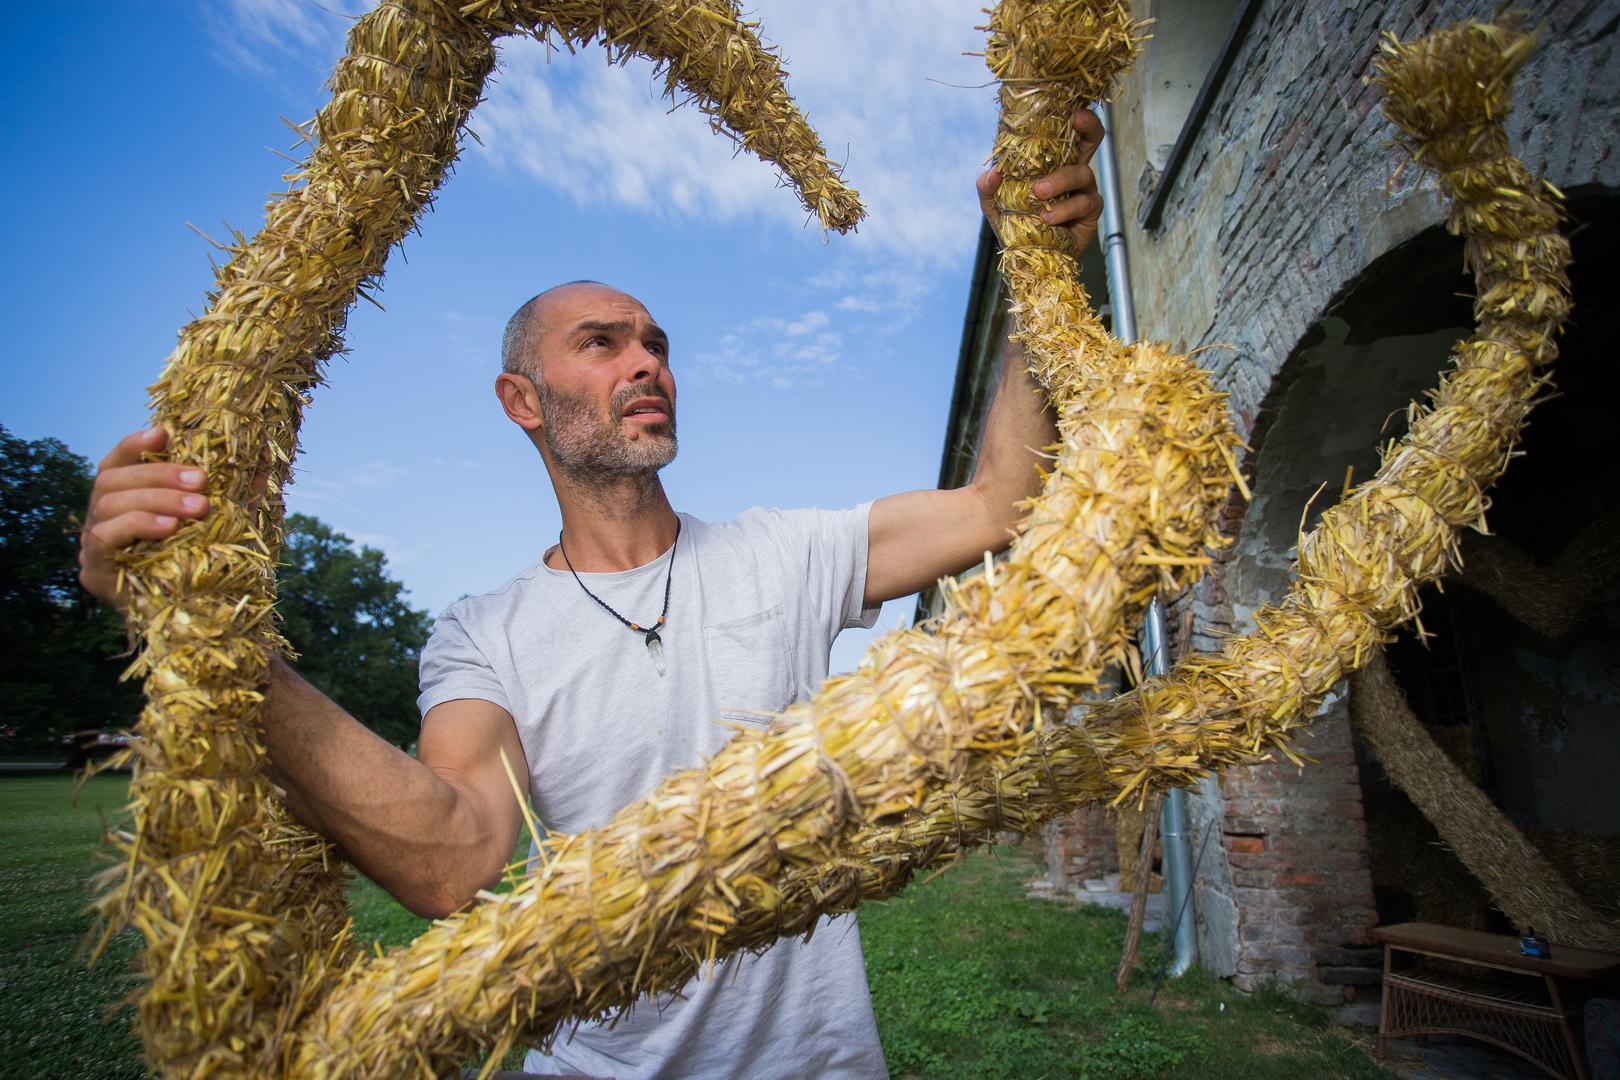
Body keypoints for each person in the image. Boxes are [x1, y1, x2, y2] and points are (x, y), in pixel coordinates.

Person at [78, 109, 1106, 1079]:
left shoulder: (783, 555)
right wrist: (197, 633)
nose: (648, 363)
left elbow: (997, 504)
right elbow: (454, 861)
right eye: (603, 343)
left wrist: (1039, 267)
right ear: (521, 401)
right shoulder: (484, 637)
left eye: (656, 343)